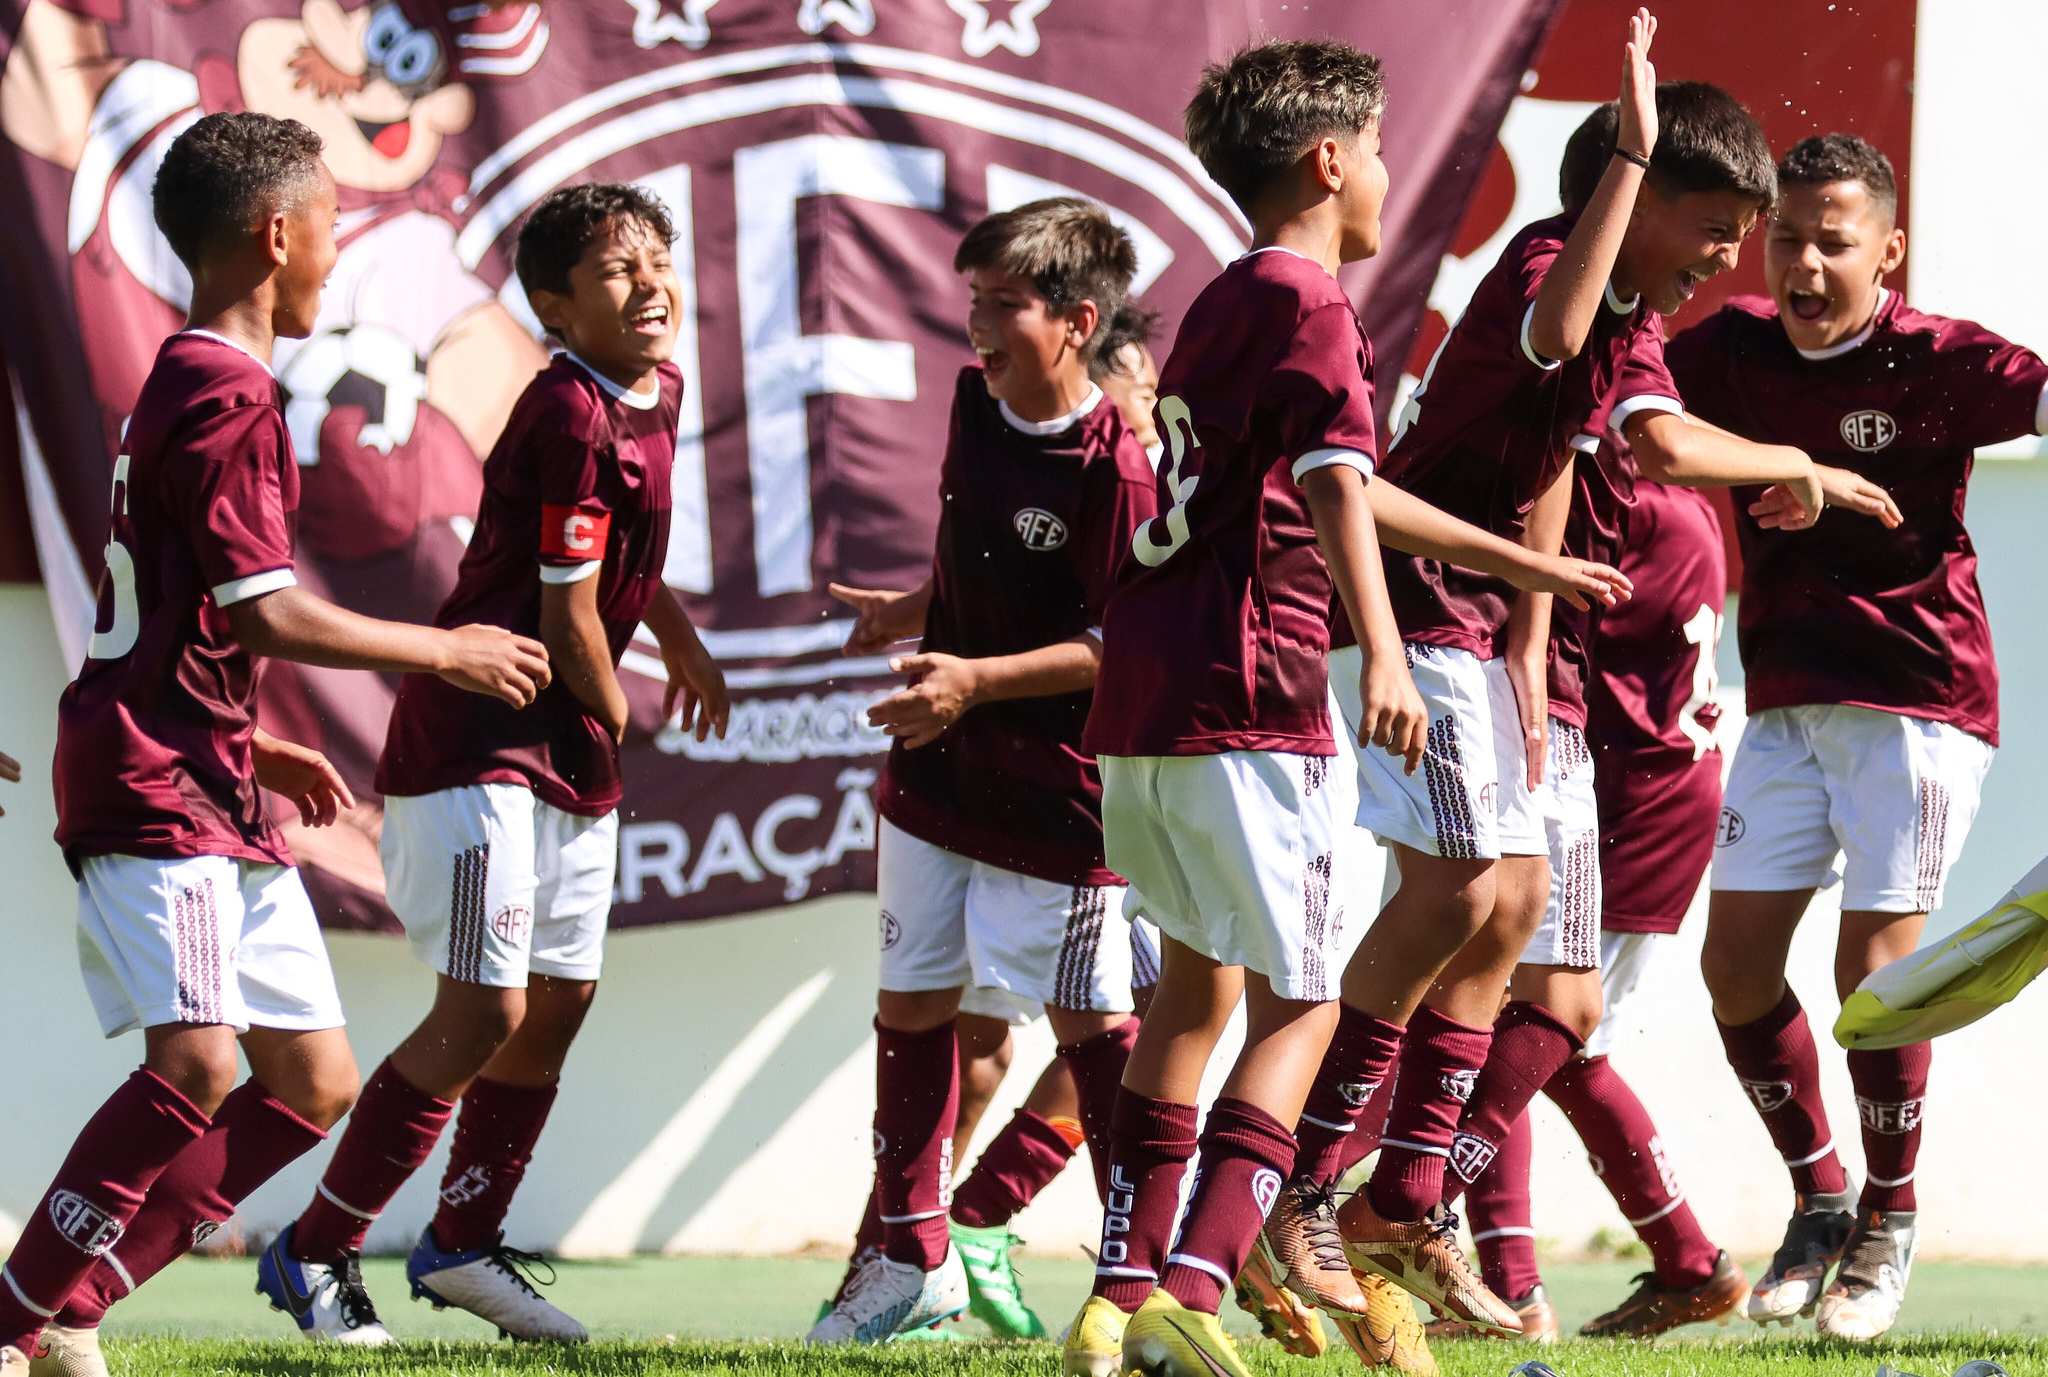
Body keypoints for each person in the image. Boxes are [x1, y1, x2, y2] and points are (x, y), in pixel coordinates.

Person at [1061, 39, 1633, 1377]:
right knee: (1304, 1011)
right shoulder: (1318, 302)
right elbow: (1327, 489)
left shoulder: (1220, 299)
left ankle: (1114, 1297)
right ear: (1330, 160)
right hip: (1252, 699)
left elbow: (1341, 478)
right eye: (1374, 149)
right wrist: (1380, 647)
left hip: (1146, 703)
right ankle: (1195, 1295)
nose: (1384, 171)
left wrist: (1521, 562)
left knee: (1196, 1000)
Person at [2, 112, 552, 1376]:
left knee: (311, 1080)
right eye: (332, 224)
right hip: (156, 778)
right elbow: (262, 606)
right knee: (196, 1062)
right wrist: (447, 649)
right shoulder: (224, 384)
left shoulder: (194, 376)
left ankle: (75, 1307)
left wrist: (249, 733)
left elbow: (194, 605)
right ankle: (9, 1320)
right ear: (275, 232)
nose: (335, 249)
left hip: (210, 770)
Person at [256, 182, 728, 1344]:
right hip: (484, 739)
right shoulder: (568, 409)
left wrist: (678, 640)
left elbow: (622, 562)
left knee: (559, 1002)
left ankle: (461, 1243)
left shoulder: (650, 394)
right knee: (484, 1006)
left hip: (557, 738)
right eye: (618, 271)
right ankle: (314, 1251)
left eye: (658, 257)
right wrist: (631, 715)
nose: (652, 281)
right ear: (556, 313)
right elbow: (567, 627)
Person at [1673, 132, 2048, 1340]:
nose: (1802, 262)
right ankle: (1820, 1198)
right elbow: (1623, 410)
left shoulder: (1938, 360)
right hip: (1782, 698)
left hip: (1918, 700)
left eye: (1830, 241)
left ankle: (1889, 1216)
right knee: (1731, 965)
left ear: (1885, 249)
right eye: (1784, 236)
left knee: (1873, 982)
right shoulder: (1724, 351)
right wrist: (1786, 465)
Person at [806, 197, 1157, 1345]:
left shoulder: (1122, 466)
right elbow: (979, 561)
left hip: (1061, 797)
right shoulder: (972, 402)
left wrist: (968, 678)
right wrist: (917, 613)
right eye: (973, 301)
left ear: (1074, 321)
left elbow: (1114, 645)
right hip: (936, 773)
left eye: (1001, 304)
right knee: (912, 1004)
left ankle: (1134, 1276)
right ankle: (909, 1253)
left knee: (1091, 1030)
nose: (976, 327)